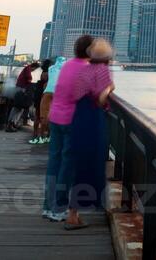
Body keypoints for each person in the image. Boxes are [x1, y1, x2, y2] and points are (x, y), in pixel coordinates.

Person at [43, 36, 115, 228]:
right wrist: (108, 89)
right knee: (69, 166)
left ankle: (48, 206)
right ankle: (60, 209)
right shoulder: (88, 69)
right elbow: (97, 98)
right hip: (70, 120)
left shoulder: (67, 65)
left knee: (54, 163)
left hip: (55, 117)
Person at [29, 55, 62, 146]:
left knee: (39, 116)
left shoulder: (45, 73)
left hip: (41, 95)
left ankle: (37, 135)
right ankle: (46, 135)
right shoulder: (55, 72)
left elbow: (44, 85)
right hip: (49, 95)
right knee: (49, 116)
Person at [5, 61, 39, 132]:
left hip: (20, 90)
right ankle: (11, 123)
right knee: (18, 108)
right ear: (34, 67)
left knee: (18, 108)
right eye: (34, 69)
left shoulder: (26, 68)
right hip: (21, 91)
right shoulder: (28, 69)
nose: (34, 71)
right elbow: (28, 78)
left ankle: (12, 123)